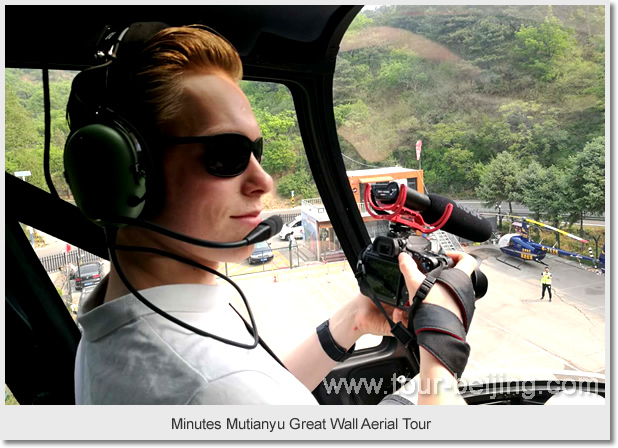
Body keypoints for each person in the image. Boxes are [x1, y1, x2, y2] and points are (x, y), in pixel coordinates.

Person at [72, 24, 478, 405]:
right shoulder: (208, 387)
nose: (263, 181)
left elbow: (268, 397)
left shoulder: (128, 323)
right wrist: (440, 347)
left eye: (256, 152)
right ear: (123, 172)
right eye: (226, 154)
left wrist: (353, 319)